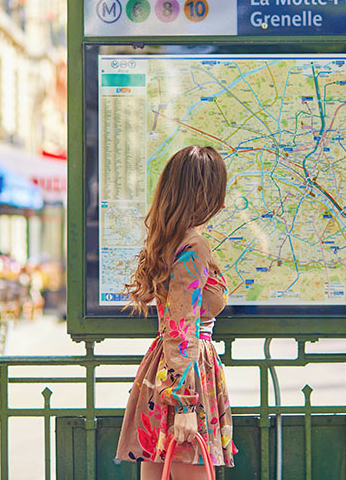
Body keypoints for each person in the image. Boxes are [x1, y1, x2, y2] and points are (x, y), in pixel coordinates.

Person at [115, 146, 238, 479]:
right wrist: (185, 405)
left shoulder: (169, 241)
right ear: (203, 196)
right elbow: (182, 326)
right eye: (217, 193)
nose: (222, 204)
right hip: (186, 374)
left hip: (164, 370)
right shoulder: (193, 245)